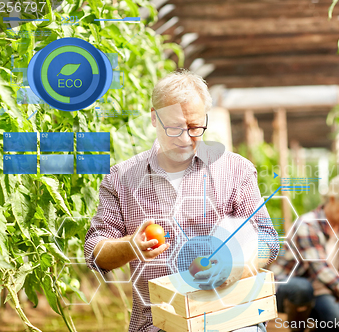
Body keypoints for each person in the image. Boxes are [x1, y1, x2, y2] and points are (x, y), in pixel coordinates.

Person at [84, 70, 279, 332]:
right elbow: (94, 253)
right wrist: (132, 245)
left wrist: (239, 266)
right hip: (159, 324)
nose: (186, 138)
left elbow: (268, 238)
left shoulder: (235, 170)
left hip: (229, 317)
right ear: (154, 117)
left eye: (195, 127)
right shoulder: (121, 179)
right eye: (175, 128)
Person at [270, 174, 339, 332]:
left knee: (335, 321)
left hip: (322, 290)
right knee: (303, 289)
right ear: (332, 199)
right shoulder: (307, 224)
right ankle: (297, 327)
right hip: (288, 285)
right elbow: (322, 270)